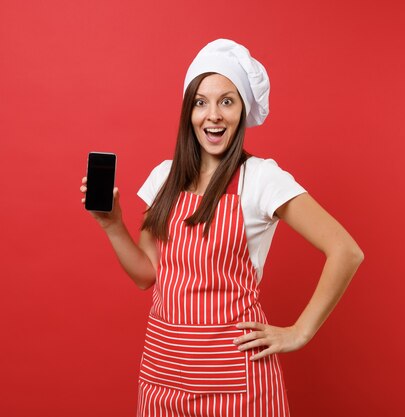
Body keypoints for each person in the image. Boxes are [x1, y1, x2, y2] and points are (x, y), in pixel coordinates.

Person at [80, 39, 363, 417]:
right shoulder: (163, 177)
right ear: (188, 112)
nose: (213, 115)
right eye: (201, 102)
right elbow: (148, 275)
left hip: (236, 384)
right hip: (163, 377)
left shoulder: (261, 178)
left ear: (243, 110)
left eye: (226, 101)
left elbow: (346, 250)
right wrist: (112, 225)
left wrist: (300, 332)